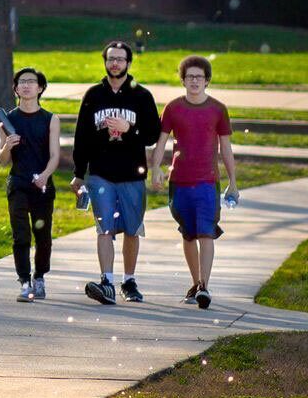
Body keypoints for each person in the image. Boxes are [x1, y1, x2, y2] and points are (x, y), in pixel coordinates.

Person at [70, 40, 162, 305]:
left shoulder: (141, 96)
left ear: (129, 63)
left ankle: (129, 280)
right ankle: (106, 280)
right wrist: (78, 172)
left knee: (132, 229)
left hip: (133, 174)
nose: (115, 63)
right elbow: (81, 137)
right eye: (111, 59)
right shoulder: (93, 95)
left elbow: (152, 134)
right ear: (105, 61)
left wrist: (128, 128)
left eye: (120, 59)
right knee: (104, 229)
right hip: (100, 174)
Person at [148, 55, 238, 311]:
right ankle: (196, 282)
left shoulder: (218, 109)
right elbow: (162, 141)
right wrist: (155, 168)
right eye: (190, 77)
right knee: (188, 233)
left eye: (199, 77)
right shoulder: (173, 108)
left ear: (207, 80)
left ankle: (204, 286)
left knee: (206, 232)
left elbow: (226, 148)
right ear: (183, 80)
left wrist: (233, 181)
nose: (195, 81)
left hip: (208, 181)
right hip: (180, 182)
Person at [0, 67, 63, 303]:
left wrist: (45, 175)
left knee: (42, 235)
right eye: (21, 82)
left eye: (31, 82)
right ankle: (24, 281)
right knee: (21, 234)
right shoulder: (7, 121)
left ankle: (40, 277)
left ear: (40, 88)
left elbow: (55, 155)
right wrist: (7, 146)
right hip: (18, 183)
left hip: (42, 185)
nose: (26, 85)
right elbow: (3, 159)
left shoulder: (50, 119)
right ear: (15, 88)